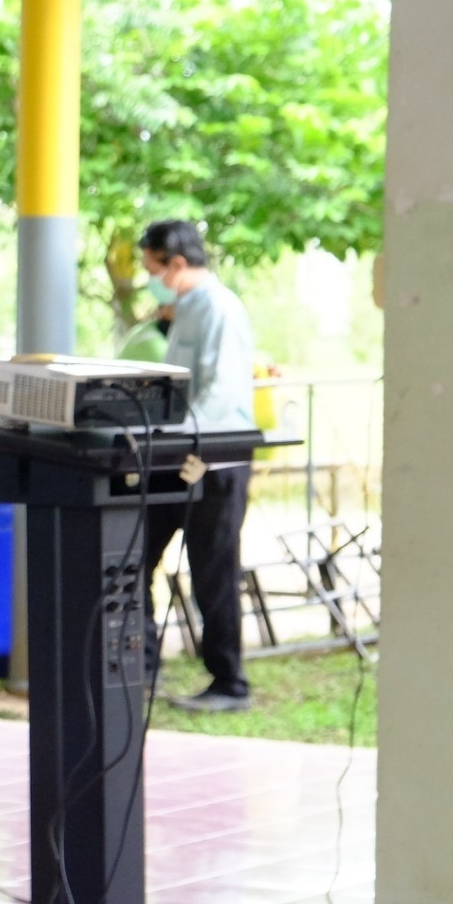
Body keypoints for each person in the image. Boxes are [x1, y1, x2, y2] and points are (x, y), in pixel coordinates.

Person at [139, 219, 258, 713]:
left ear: (178, 265)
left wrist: (184, 439)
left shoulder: (220, 309)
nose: (151, 279)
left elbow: (220, 391)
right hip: (175, 452)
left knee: (212, 569)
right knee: (134, 556)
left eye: (153, 269)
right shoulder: (183, 310)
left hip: (215, 454)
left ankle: (229, 683)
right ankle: (139, 669)